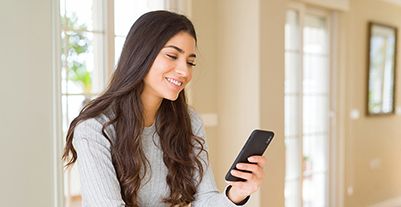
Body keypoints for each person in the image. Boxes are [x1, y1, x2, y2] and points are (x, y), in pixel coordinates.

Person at [62, 10, 266, 207]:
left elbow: (204, 199)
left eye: (190, 62)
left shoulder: (188, 121)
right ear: (141, 54)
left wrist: (236, 194)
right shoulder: (95, 129)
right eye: (172, 56)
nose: (184, 71)